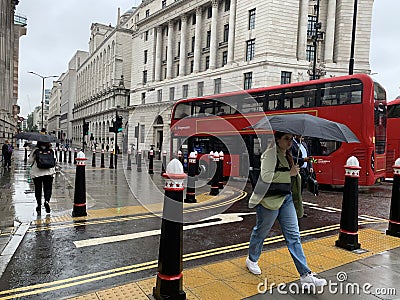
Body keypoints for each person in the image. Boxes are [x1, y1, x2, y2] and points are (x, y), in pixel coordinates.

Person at [246, 131, 326, 288]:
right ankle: (252, 259)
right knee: (261, 231)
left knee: (294, 236)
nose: (290, 142)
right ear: (277, 139)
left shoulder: (289, 154)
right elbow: (266, 176)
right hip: (269, 199)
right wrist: (289, 173)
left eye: (291, 139)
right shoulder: (270, 154)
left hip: (286, 198)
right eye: (286, 139)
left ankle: (305, 275)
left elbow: (292, 175)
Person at [28, 141, 56, 214]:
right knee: (48, 188)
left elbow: (30, 161)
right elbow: (55, 160)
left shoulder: (35, 149)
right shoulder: (51, 150)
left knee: (38, 189)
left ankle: (39, 206)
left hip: (37, 173)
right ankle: (47, 201)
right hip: (49, 173)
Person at [291, 135, 314, 218]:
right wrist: (303, 160)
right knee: (295, 191)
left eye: (303, 137)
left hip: (304, 171)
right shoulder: (292, 144)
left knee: (300, 192)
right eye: (301, 136)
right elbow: (291, 157)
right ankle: (294, 211)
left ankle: (299, 210)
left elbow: (308, 156)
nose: (302, 138)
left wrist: (310, 166)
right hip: (297, 170)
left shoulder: (304, 144)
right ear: (296, 135)